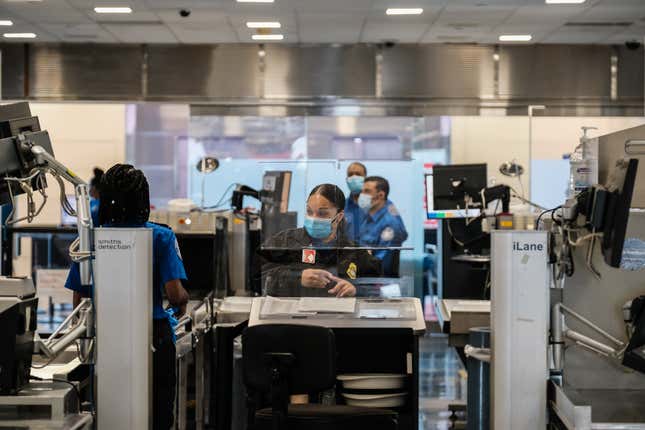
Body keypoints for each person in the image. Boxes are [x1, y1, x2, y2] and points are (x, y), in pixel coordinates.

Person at [65, 164, 189, 429]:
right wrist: (181, 304)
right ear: (143, 198)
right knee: (157, 415)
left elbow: (78, 302)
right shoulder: (161, 236)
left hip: (107, 338)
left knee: (111, 411)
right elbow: (175, 293)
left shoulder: (90, 240)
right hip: (153, 336)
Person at [261, 183, 382, 297]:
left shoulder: (352, 251)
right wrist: (297, 278)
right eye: (309, 211)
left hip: (337, 316)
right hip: (291, 316)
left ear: (339, 216)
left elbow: (379, 285)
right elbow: (259, 275)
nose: (313, 218)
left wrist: (357, 289)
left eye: (322, 213)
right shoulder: (285, 241)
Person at [358, 176, 408, 276]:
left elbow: (381, 264)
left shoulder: (389, 224)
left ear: (381, 195)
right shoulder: (368, 215)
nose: (362, 195)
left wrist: (360, 257)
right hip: (364, 277)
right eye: (361, 191)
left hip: (379, 283)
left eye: (367, 191)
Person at [344, 162, 367, 242]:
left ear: (365, 178)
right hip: (348, 253)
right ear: (346, 179)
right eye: (350, 174)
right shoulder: (341, 207)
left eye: (358, 174)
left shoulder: (376, 205)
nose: (354, 177)